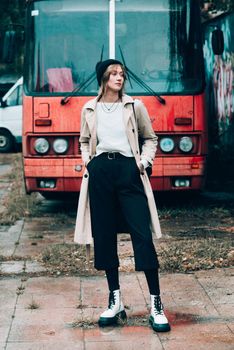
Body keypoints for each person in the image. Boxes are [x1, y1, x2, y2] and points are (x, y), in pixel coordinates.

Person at [74, 59, 170, 333]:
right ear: (103, 78)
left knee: (142, 234)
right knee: (104, 235)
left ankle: (156, 304)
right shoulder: (89, 108)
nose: (119, 77)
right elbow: (83, 140)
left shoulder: (134, 105)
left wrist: (144, 164)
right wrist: (89, 162)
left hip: (129, 171)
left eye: (121, 73)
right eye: (113, 73)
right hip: (101, 172)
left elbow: (149, 138)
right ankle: (115, 300)